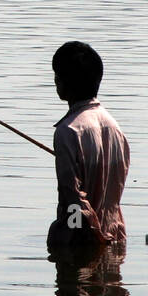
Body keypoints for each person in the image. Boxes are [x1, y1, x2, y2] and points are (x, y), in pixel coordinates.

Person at [47, 42, 130, 252]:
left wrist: (74, 242)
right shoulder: (114, 127)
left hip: (80, 242)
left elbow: (73, 200)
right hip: (115, 239)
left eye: (58, 74)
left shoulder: (67, 131)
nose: (55, 80)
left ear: (65, 81)